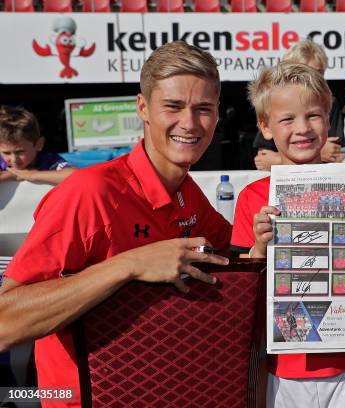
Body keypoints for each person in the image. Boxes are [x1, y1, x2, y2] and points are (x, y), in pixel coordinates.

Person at [0, 41, 232, 407]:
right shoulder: (89, 191)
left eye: (203, 109)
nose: (189, 123)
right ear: (143, 108)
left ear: (217, 115)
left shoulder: (188, 192)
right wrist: (129, 264)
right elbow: (5, 323)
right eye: (173, 106)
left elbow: (234, 261)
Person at [231, 62, 345, 407]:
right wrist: (259, 246)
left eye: (313, 116)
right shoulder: (252, 199)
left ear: (328, 118)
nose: (302, 129)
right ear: (265, 126)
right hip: (282, 366)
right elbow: (243, 293)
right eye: (287, 119)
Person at [252, 39, 344, 171]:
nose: (303, 129)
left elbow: (334, 152)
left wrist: (276, 159)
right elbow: (263, 159)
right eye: (304, 71)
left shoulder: (330, 103)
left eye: (319, 73)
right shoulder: (274, 101)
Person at [0, 105, 75, 185]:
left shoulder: (48, 161)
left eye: (20, 152)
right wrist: (10, 175)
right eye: (6, 153)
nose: (14, 159)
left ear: (39, 144)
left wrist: (32, 174)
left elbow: (78, 176)